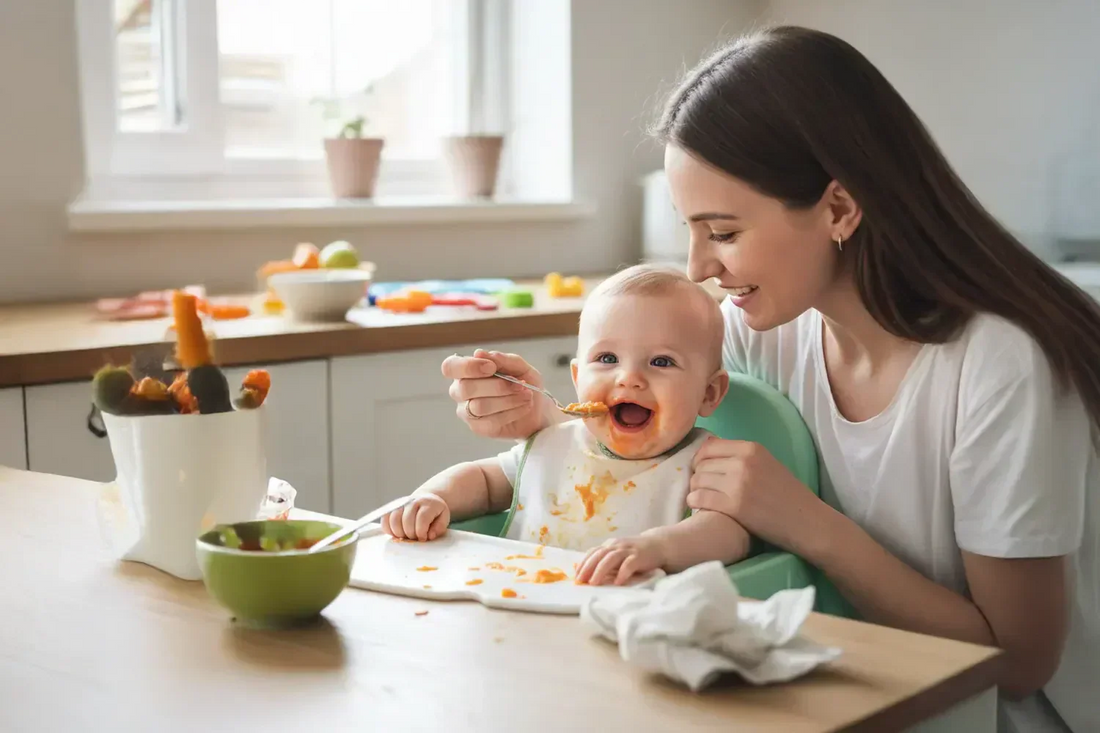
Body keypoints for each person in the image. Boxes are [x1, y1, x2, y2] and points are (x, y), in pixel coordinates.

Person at [441, 25, 1100, 733]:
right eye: (689, 230)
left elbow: (1021, 662)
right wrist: (551, 422)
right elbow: (661, 466)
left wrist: (808, 523)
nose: (697, 266)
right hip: (839, 686)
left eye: (722, 232)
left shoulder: (1000, 363)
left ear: (839, 210)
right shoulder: (760, 333)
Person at [384, 265, 751, 585]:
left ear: (709, 393)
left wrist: (658, 548)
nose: (629, 378)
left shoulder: (704, 463)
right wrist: (432, 498)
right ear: (577, 377)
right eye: (607, 358)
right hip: (524, 613)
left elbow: (729, 534)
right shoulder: (552, 444)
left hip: (631, 628)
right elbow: (481, 480)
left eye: (661, 362)